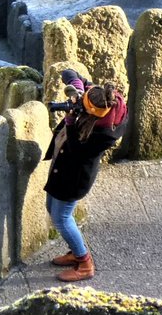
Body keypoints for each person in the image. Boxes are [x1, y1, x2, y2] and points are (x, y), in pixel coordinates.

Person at [42, 70, 127, 283]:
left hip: (75, 177)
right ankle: (74, 250)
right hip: (63, 170)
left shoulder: (106, 134)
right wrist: (76, 85)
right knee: (51, 208)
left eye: (86, 110)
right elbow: (75, 76)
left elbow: (77, 152)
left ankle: (85, 262)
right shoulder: (101, 96)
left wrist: (70, 122)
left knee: (61, 218)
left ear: (97, 114)